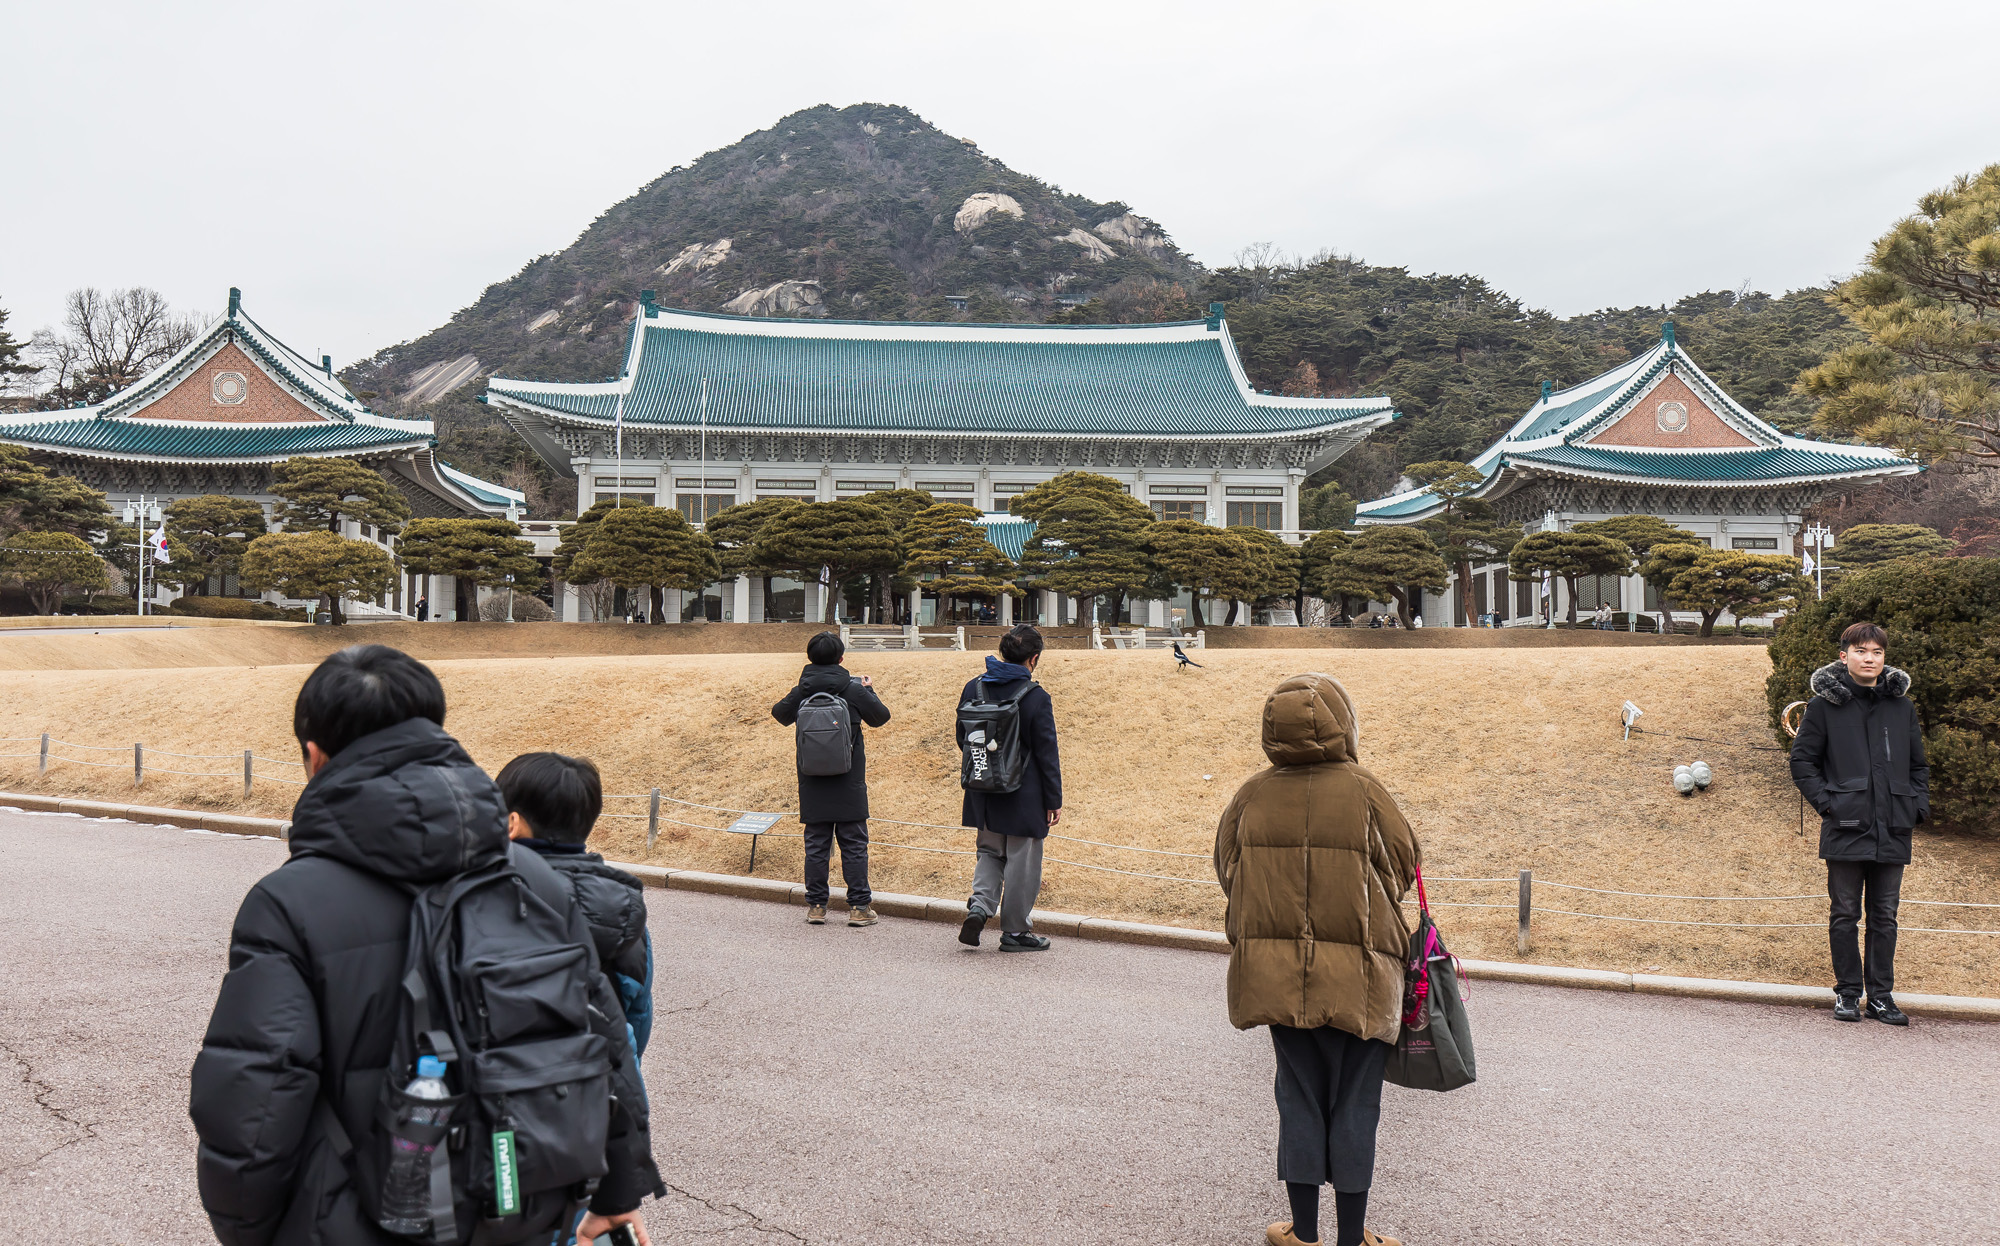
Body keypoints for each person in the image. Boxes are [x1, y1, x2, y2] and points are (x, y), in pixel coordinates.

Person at [189, 645, 661, 1246]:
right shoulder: (535, 878)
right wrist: (617, 1191)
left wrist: (250, 1234)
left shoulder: (290, 902)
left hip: (354, 1220)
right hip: (519, 1212)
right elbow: (604, 1037)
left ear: (314, 757)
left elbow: (254, 1098)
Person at [1215, 673, 1418, 1246]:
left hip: (1275, 978)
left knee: (1298, 1098)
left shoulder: (1251, 794)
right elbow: (1404, 866)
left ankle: (1303, 1234)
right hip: (1360, 977)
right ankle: (1352, 1239)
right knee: (1356, 1103)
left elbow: (1227, 870)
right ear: (1343, 723)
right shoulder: (1365, 790)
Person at [1789, 622, 1929, 1026]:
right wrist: (1829, 804)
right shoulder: (1823, 707)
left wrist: (1917, 807)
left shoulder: (1901, 707)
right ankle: (1848, 993)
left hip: (1894, 826)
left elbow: (1918, 765)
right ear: (1844, 655)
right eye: (1862, 651)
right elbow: (1803, 762)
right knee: (1845, 913)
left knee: (1885, 915)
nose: (1870, 658)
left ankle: (1881, 997)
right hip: (1845, 825)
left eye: (1878, 652)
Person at [498, 751, 654, 1058]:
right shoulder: (624, 909)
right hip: (595, 1087)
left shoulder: (491, 893)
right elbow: (638, 1014)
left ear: (512, 824)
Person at [771, 631, 891, 926]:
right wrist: (869, 690)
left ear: (810, 658)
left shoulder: (802, 690)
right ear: (841, 658)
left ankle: (816, 906)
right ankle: (860, 908)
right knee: (854, 844)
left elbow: (779, 714)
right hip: (849, 779)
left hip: (811, 779)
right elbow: (881, 717)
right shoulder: (852, 689)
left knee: (816, 844)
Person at [956, 625, 1064, 952]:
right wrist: (1053, 799)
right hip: (1024, 794)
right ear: (1033, 659)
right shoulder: (1035, 696)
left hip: (982, 787)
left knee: (989, 852)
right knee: (1022, 860)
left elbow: (964, 738)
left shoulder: (973, 688)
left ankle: (980, 907)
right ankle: (1015, 932)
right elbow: (1047, 753)